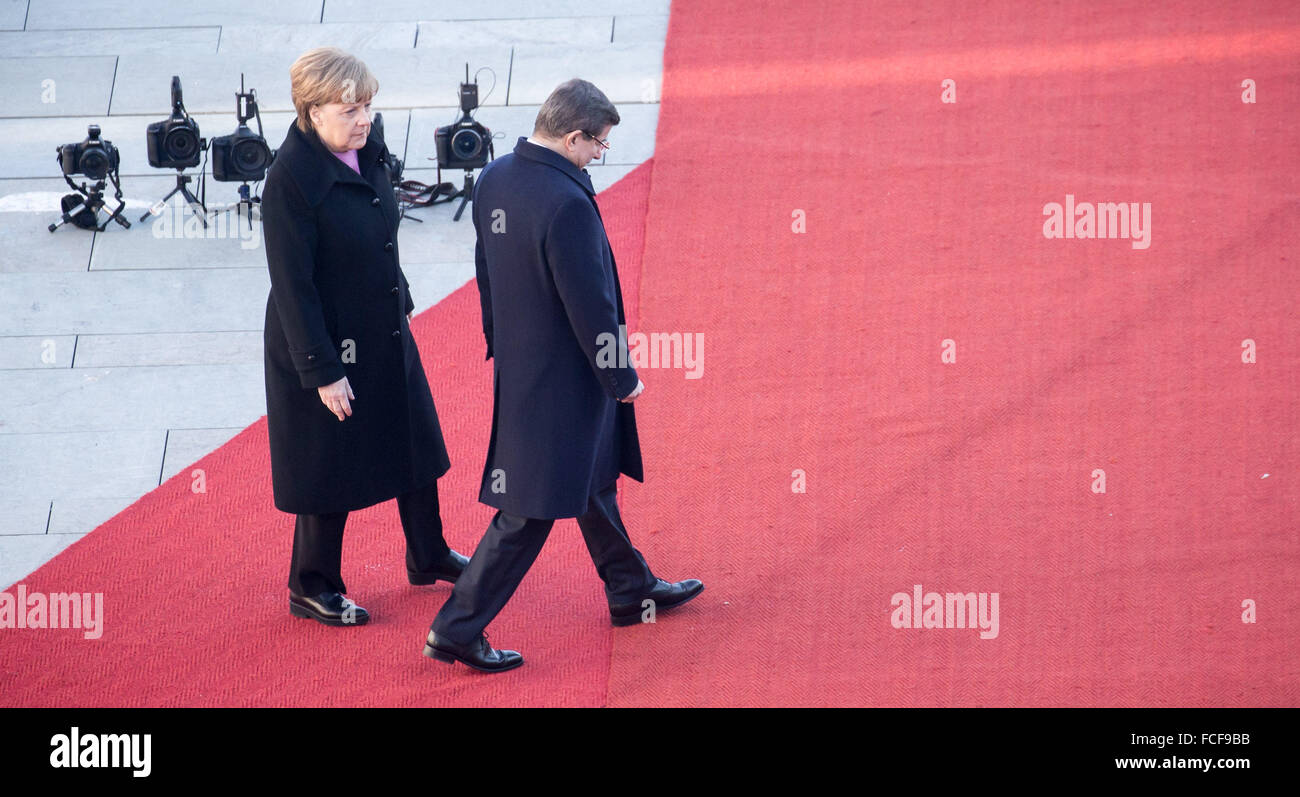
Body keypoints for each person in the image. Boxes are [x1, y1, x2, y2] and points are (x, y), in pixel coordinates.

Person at [423, 79, 703, 672]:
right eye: (598, 145)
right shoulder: (568, 203)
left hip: (527, 366)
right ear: (573, 136)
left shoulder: (497, 176)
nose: (600, 156)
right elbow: (590, 304)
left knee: (593, 474)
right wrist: (621, 376)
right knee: (528, 508)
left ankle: (630, 588)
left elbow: (487, 270)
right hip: (567, 378)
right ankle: (455, 629)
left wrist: (500, 341)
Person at [261, 47, 468, 627]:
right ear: (311, 110)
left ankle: (427, 554)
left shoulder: (367, 150)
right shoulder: (290, 182)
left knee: (414, 442)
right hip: (325, 344)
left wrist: (399, 299)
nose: (364, 119)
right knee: (329, 469)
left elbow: (380, 233)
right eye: (350, 108)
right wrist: (322, 370)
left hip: (383, 328)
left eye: (368, 106)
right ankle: (312, 584)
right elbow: (293, 285)